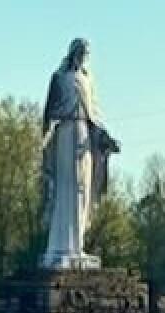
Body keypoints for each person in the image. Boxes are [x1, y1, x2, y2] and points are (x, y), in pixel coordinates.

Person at [41, 38, 120, 269]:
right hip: (65, 134)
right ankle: (60, 246)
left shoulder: (88, 80)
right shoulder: (60, 78)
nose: (83, 56)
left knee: (81, 189)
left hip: (85, 138)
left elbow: (94, 114)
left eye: (87, 53)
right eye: (81, 52)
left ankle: (78, 246)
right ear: (73, 52)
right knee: (65, 187)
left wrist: (105, 139)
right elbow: (49, 113)